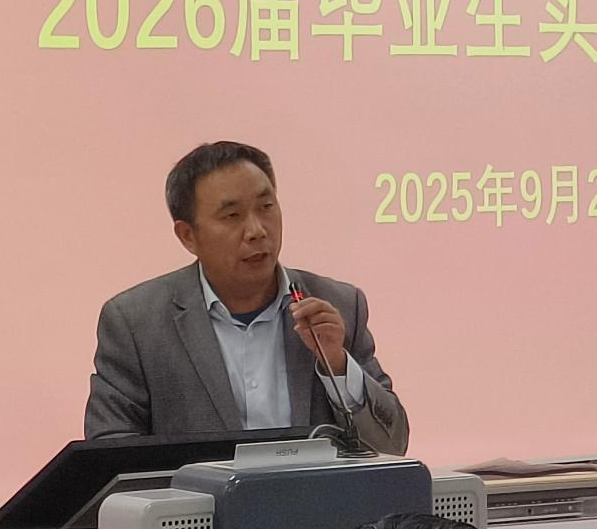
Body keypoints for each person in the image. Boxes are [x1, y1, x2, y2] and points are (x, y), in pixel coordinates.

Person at [83, 141, 409, 454]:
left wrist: (337, 365)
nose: (256, 230)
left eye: (266, 207)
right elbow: (112, 449)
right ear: (188, 236)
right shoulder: (136, 323)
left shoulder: (339, 305)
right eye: (232, 216)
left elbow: (392, 446)